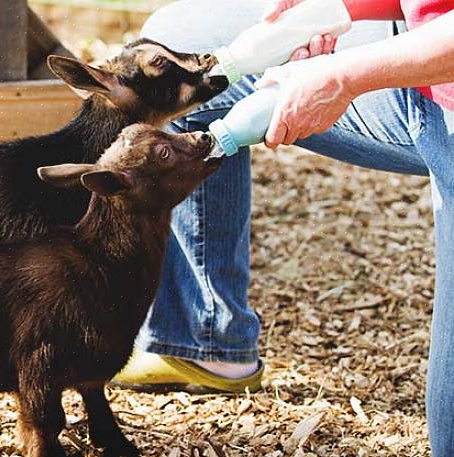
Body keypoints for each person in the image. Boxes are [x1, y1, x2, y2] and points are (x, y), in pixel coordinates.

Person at [112, 0, 454, 453]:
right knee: (182, 41)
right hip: (420, 70)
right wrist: (335, 8)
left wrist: (345, 76)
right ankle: (205, 337)